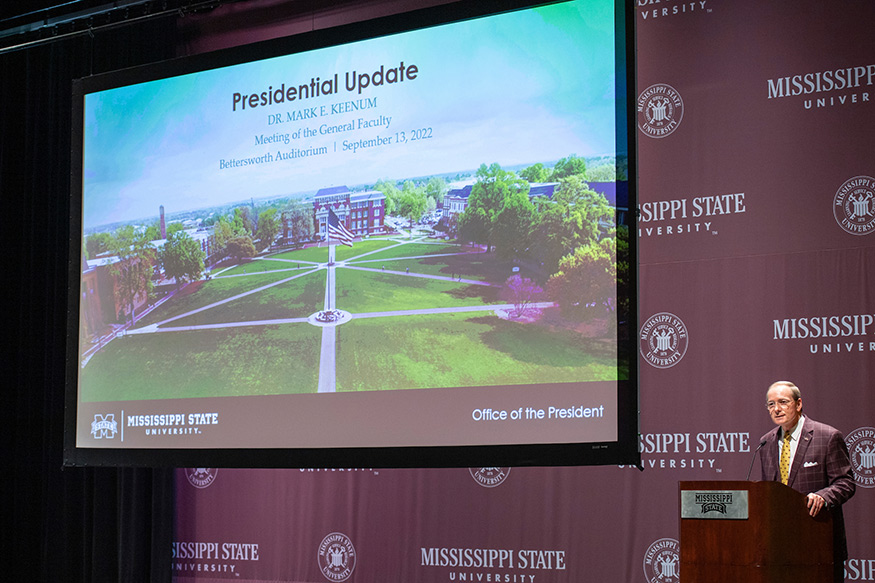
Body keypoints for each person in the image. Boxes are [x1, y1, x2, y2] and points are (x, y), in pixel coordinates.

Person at [759, 381, 856, 583]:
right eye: (771, 404)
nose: (776, 409)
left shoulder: (827, 437)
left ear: (799, 403)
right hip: (780, 547)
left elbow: (845, 483)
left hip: (818, 543)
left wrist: (823, 496)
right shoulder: (766, 442)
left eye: (783, 402)